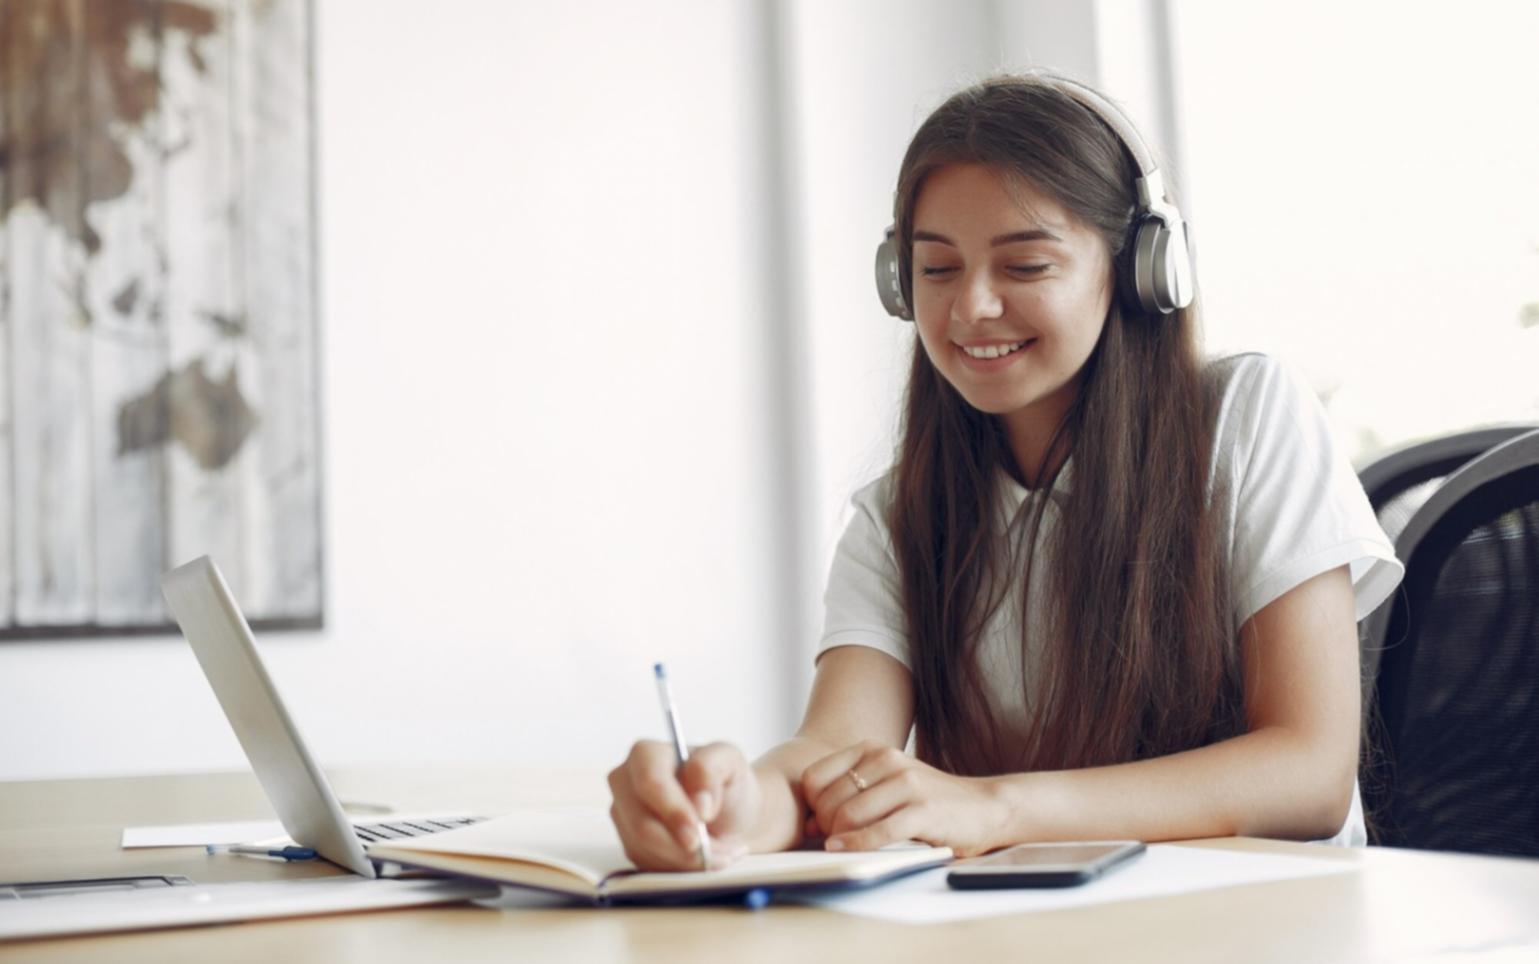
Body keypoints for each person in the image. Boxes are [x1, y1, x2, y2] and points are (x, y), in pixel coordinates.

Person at [607, 73, 1403, 870]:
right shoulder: (901, 515)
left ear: (1137, 272)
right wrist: (734, 806)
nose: (969, 309)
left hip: (1266, 925)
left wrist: (994, 807)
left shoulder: (1244, 417)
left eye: (1024, 267)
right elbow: (833, 752)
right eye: (937, 269)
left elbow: (1308, 772)